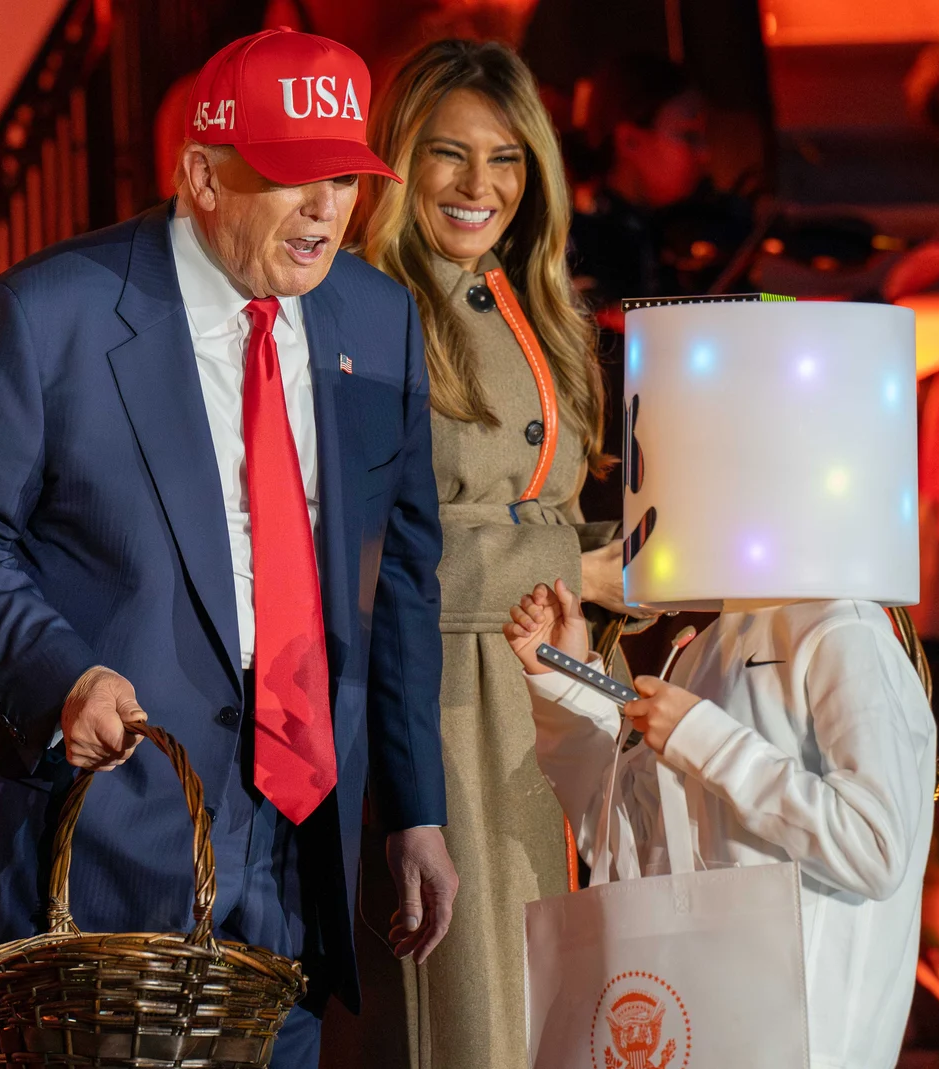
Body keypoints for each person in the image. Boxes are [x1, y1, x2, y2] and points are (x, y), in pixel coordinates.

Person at [0, 29, 456, 1068]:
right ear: (200, 174)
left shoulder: (378, 321)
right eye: (290, 176)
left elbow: (401, 578)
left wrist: (415, 810)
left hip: (300, 840)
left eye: (344, 174)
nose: (327, 209)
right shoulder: (44, 315)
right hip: (102, 831)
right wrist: (58, 673)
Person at [348, 38, 651, 1069]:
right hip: (448, 712)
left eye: (508, 158)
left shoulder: (537, 305)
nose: (482, 185)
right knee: (475, 1029)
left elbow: (543, 514)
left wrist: (644, 562)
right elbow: (372, 563)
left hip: (560, 703)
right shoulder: (358, 310)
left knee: (581, 1021)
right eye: (448, 154)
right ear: (395, 161)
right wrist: (577, 572)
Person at [506, 577, 937, 1069]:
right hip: (693, 1023)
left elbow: (874, 847)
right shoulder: (708, 643)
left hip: (802, 1044)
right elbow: (632, 849)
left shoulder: (845, 630)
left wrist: (706, 740)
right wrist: (565, 681)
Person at [568, 54, 754, 318]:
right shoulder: (579, 243)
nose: (705, 154)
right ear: (630, 141)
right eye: (689, 136)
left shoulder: (684, 227)